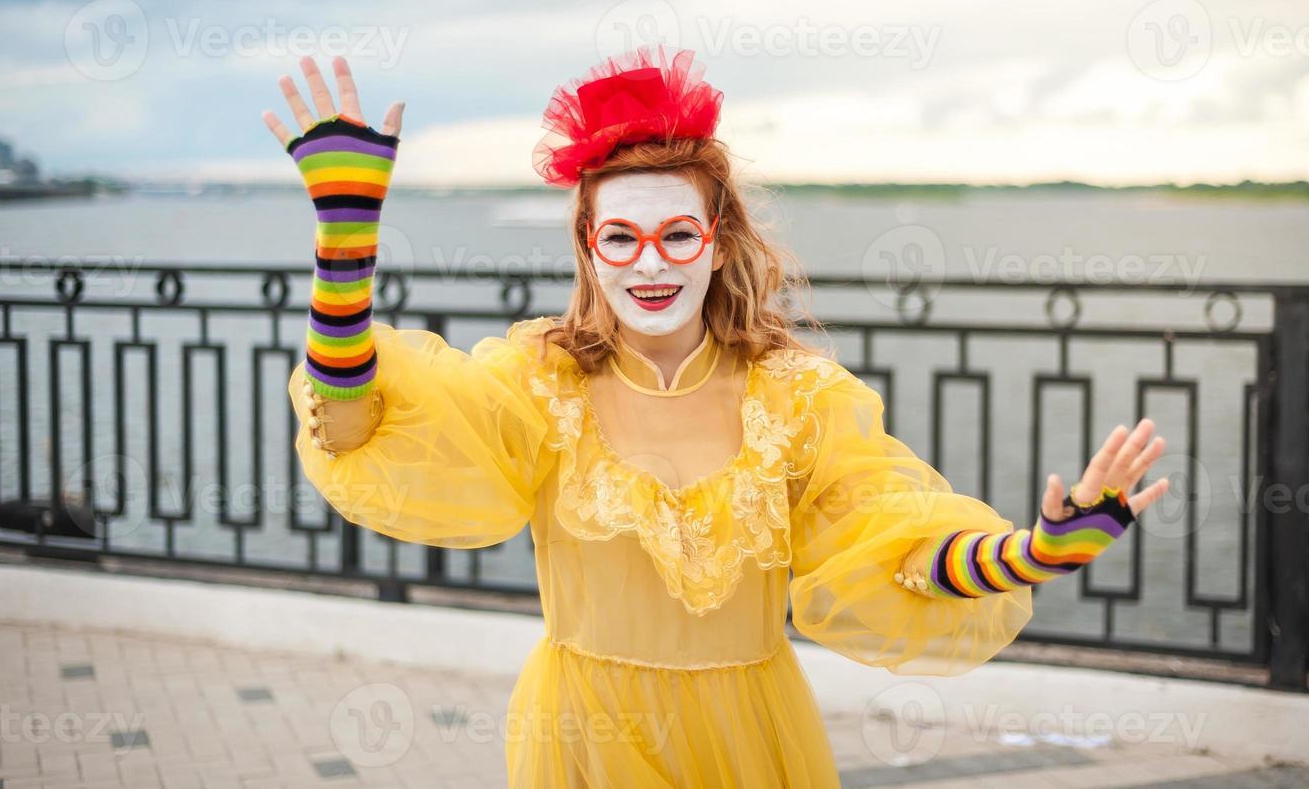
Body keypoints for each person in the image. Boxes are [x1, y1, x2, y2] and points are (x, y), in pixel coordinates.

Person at [264, 48, 1171, 787]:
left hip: (751, 733)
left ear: (718, 240)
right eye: (618, 236)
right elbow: (356, 430)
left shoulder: (797, 397)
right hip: (585, 731)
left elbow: (894, 549)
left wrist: (1035, 554)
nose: (647, 263)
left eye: (676, 234)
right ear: (588, 248)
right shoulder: (538, 380)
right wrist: (345, 247)